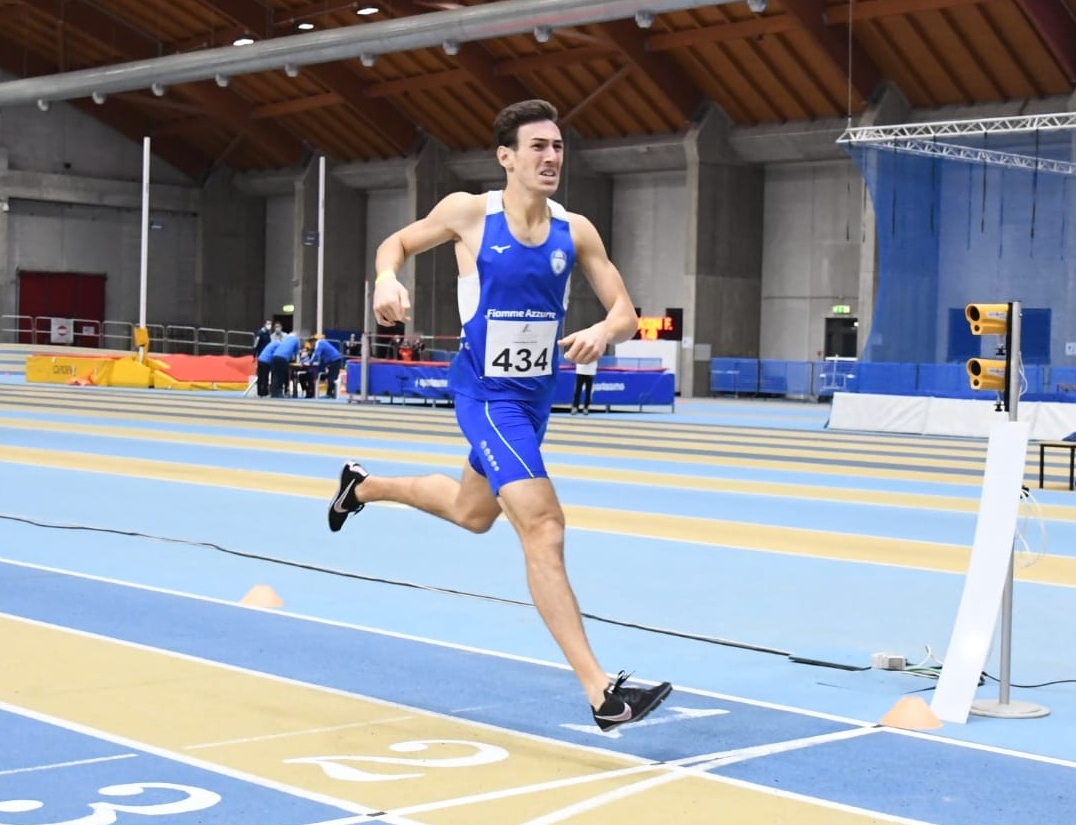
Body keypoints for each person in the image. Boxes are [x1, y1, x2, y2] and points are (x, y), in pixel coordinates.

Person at [327, 99, 671, 732]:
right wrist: (386, 279)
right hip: (487, 396)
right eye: (538, 146)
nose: (551, 157)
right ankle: (601, 694)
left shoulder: (577, 230)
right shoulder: (470, 214)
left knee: (472, 512)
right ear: (506, 157)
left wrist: (604, 331)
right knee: (544, 525)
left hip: (537, 399)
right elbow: (396, 243)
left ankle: (362, 487)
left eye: (558, 146)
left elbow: (625, 311)